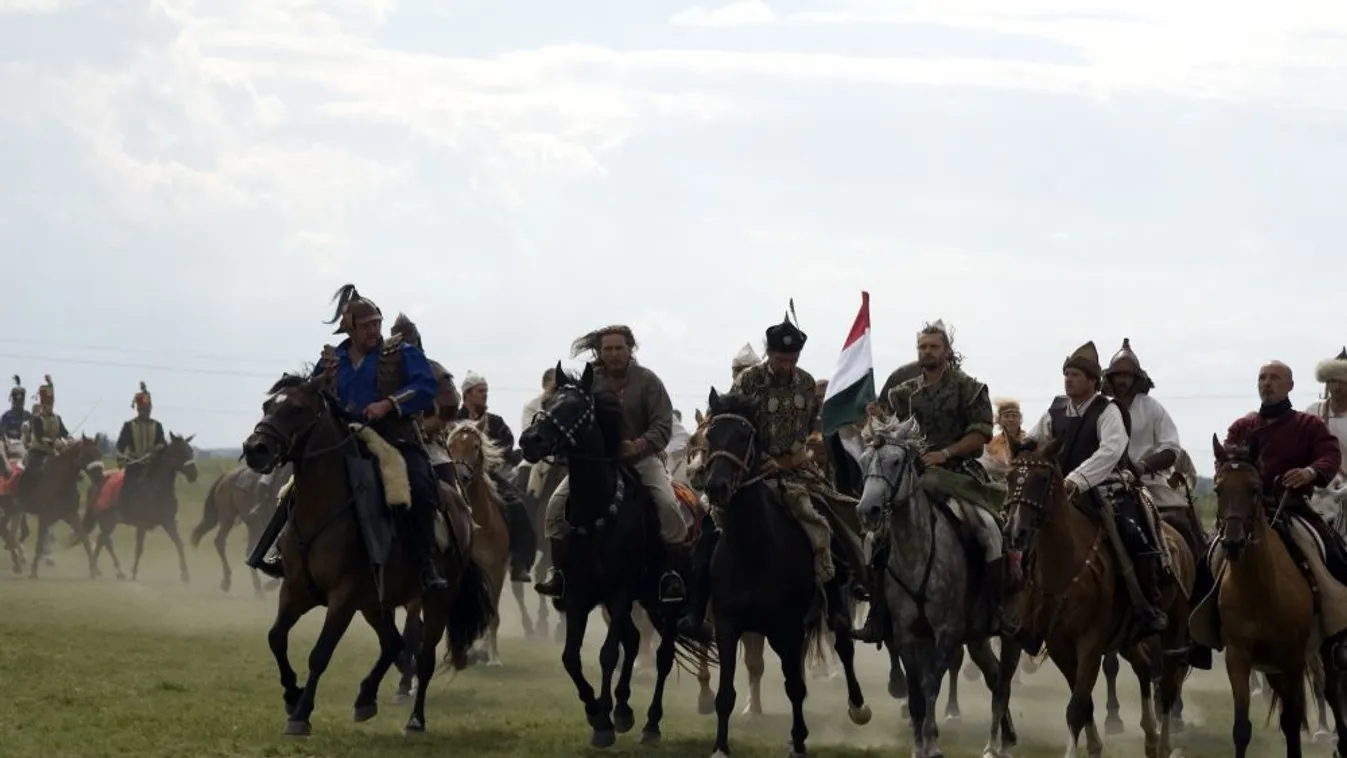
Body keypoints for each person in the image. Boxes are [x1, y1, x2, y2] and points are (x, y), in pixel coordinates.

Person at [247, 285, 446, 590]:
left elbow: (425, 387)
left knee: (419, 487)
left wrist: (389, 403)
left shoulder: (401, 352)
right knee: (294, 490)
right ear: (350, 330)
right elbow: (312, 395)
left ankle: (425, 562)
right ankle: (278, 552)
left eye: (377, 323)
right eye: (367, 326)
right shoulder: (331, 361)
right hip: (342, 439)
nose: (374, 331)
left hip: (395, 438)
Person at [679, 312, 853, 638]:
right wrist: (752, 462)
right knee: (706, 522)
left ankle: (836, 604)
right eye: (779, 358)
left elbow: (804, 434)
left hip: (794, 469)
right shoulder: (747, 381)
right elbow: (727, 422)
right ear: (768, 353)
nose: (785, 364)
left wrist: (785, 463)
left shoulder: (805, 383)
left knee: (821, 522)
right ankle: (695, 608)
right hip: (742, 471)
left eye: (791, 358)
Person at [1189, 359, 1347, 669]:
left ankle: (1338, 637)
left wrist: (1309, 472)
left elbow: (1330, 455)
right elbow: (1225, 464)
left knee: (1336, 557)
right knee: (1205, 563)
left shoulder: (1307, 425)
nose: (1267, 383)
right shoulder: (1243, 426)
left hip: (1293, 509)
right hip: (1246, 515)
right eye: (1262, 378)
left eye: (1275, 378)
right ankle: (1198, 640)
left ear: (1289, 386)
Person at [855, 320, 1004, 642]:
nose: (927, 352)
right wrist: (877, 420)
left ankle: (999, 606)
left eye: (933, 346)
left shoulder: (970, 387)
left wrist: (946, 453)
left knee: (989, 529)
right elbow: (888, 435)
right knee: (872, 538)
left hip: (959, 472)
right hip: (908, 475)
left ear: (947, 352)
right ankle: (878, 612)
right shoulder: (901, 393)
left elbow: (980, 432)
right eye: (922, 347)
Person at [535, 325, 689, 602]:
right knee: (555, 507)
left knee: (668, 505)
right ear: (599, 352)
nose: (615, 354)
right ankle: (560, 573)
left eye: (620, 348)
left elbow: (663, 425)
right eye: (608, 349)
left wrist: (637, 445)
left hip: (643, 460)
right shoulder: (589, 382)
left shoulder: (648, 381)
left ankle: (671, 575)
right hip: (600, 462)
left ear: (631, 350)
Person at [1024, 341, 1168, 634]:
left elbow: (1112, 450)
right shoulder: (1055, 409)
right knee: (1021, 531)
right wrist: (1021, 450)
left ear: (1092, 381)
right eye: (1067, 374)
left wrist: (1075, 480)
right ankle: (1024, 610)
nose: (1068, 379)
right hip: (1059, 496)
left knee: (1132, 533)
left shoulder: (1107, 409)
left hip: (1106, 491)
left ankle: (1146, 605)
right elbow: (1035, 440)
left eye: (1075, 374)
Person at [456, 371, 536, 582]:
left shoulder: (496, 422)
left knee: (517, 505)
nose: (485, 395)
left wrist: (492, 460)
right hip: (457, 474)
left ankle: (519, 561)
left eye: (486, 391)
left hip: (489, 474)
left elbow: (507, 446)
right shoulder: (454, 421)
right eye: (480, 391)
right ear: (467, 394)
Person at [114, 381, 167, 521]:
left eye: (148, 409)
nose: (146, 412)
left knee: (166, 485)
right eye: (143, 409)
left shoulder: (158, 426)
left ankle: (167, 513)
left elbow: (162, 443)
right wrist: (122, 456)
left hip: (153, 464)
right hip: (135, 464)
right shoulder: (129, 426)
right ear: (138, 409)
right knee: (127, 486)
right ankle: (122, 511)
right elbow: (120, 445)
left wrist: (159, 447)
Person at [1307, 347, 1347, 519]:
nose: (1336, 387)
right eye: (1332, 381)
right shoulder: (1313, 411)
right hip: (1318, 485)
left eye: (1342, 382)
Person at [18, 375, 69, 498]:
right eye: (47, 403)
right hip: (37, 452)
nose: (50, 406)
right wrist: (53, 442)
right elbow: (40, 437)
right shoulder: (37, 418)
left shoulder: (57, 418)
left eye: (51, 403)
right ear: (42, 404)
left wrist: (68, 441)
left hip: (52, 453)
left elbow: (64, 433)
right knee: (27, 473)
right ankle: (21, 497)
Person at [980, 397, 1027, 481]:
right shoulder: (990, 443)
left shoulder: (1028, 441)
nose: (1011, 419)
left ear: (1020, 419)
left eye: (1014, 416)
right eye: (1006, 416)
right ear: (999, 420)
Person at [1, 375, 30, 443]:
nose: (18, 403)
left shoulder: (28, 416)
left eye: (21, 401)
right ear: (12, 401)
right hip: (9, 444)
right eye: (16, 400)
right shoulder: (6, 416)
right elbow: (2, 433)